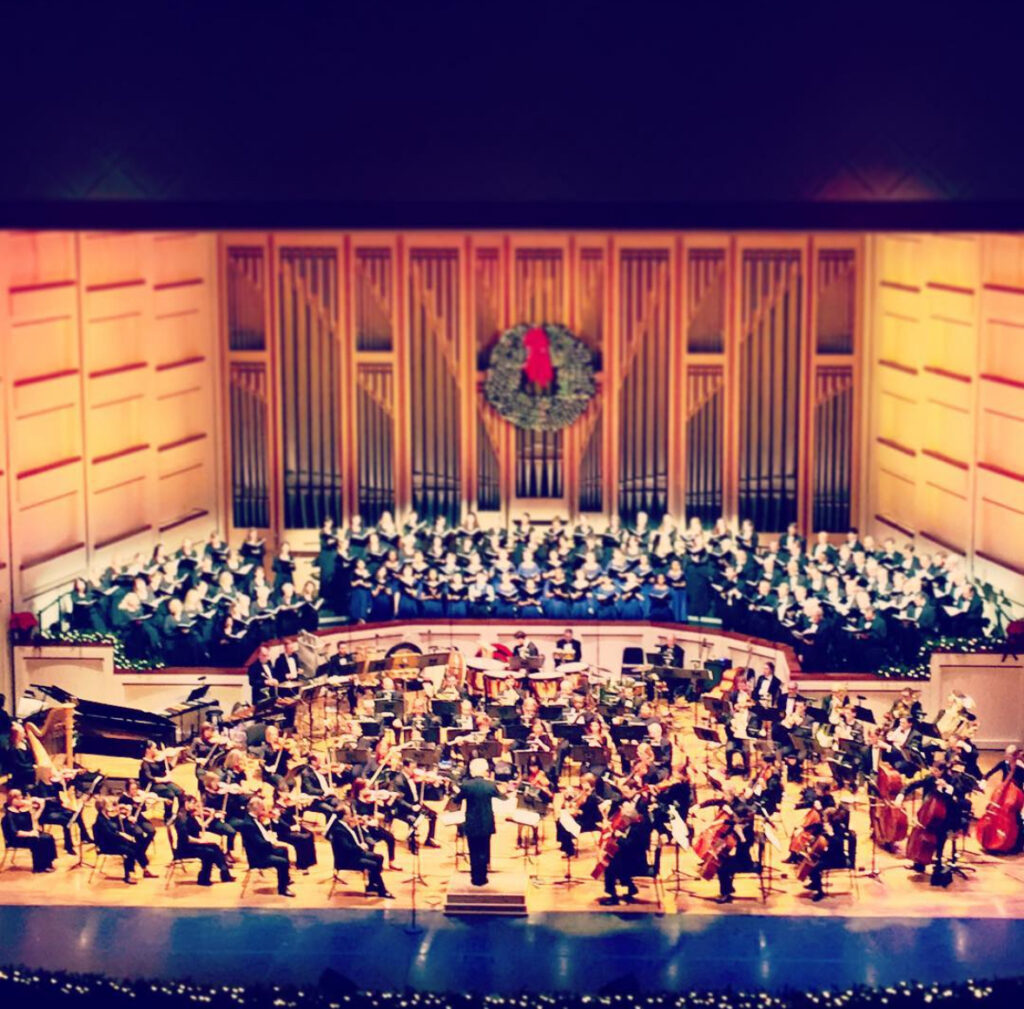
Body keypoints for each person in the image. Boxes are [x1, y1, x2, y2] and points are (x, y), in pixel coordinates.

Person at [453, 757, 504, 886]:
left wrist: (455, 790)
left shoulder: (466, 785)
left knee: (473, 851)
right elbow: (500, 797)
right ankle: (483, 877)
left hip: (472, 822)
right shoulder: (491, 785)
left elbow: (456, 800)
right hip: (486, 821)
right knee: (484, 849)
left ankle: (475, 878)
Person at [326, 806, 394, 899]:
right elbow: (346, 848)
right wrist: (360, 847)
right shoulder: (339, 830)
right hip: (346, 860)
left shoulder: (346, 825)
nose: (352, 816)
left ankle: (372, 886)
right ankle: (382, 891)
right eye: (350, 814)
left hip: (354, 854)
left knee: (379, 857)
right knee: (373, 864)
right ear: (344, 816)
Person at [174, 794, 235, 887]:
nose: (195, 806)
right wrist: (201, 841)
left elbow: (201, 827)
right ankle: (204, 878)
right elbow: (186, 838)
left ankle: (224, 873)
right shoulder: (181, 818)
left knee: (215, 846)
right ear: (186, 803)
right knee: (209, 852)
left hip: (193, 844)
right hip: (186, 847)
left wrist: (211, 816)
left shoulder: (189, 815)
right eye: (193, 804)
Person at [93, 796, 157, 884]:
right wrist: (123, 835)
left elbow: (114, 822)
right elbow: (110, 835)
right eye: (108, 804)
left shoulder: (106, 816)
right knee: (130, 850)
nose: (110, 806)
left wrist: (124, 816)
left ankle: (144, 869)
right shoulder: (100, 820)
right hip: (106, 845)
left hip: (113, 841)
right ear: (104, 806)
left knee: (136, 846)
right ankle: (128, 875)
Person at [238, 797, 294, 896]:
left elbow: (261, 837)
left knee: (283, 850)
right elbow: (259, 844)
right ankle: (282, 889)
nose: (264, 810)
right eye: (262, 808)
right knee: (283, 862)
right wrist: (272, 842)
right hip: (258, 857)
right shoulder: (248, 824)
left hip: (262, 850)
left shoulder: (253, 819)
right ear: (257, 808)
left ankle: (285, 879)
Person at [1, 789, 57, 872]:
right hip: (17, 839)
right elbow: (16, 833)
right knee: (38, 840)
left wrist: (39, 807)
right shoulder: (9, 816)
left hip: (28, 834)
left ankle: (48, 863)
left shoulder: (22, 811)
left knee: (48, 837)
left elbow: (33, 820)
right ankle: (39, 867)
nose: (22, 800)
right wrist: (31, 834)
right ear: (13, 800)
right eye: (20, 798)